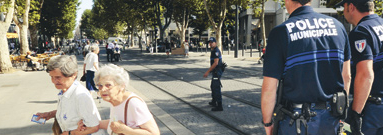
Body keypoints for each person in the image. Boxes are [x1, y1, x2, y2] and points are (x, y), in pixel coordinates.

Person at [261, 0, 351, 134]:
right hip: (330, 118)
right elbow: (346, 76)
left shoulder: (280, 32)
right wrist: (340, 111)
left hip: (295, 122)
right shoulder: (338, 27)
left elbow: (270, 87)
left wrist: (267, 122)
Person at [335, 0, 383, 134]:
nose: (343, 12)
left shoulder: (361, 32)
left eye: (343, 7)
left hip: (373, 110)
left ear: (351, 7)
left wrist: (356, 113)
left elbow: (365, 75)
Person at [78, 64, 160, 135]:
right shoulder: (115, 101)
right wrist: (89, 124)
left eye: (108, 85)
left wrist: (125, 130)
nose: (102, 89)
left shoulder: (133, 103)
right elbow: (113, 123)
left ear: (121, 86)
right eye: (100, 85)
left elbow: (154, 133)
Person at [35, 55, 103, 135]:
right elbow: (71, 111)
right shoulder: (65, 90)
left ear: (73, 75)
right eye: (52, 77)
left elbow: (94, 127)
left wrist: (70, 133)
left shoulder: (81, 96)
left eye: (58, 77)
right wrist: (49, 114)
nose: (53, 81)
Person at [203, 37, 224, 111]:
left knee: (216, 87)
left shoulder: (216, 51)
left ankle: (219, 105)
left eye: (212, 42)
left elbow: (216, 63)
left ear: (215, 43)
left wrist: (207, 72)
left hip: (217, 71)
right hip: (215, 71)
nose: (210, 43)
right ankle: (214, 101)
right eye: (209, 42)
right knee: (213, 86)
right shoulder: (213, 50)